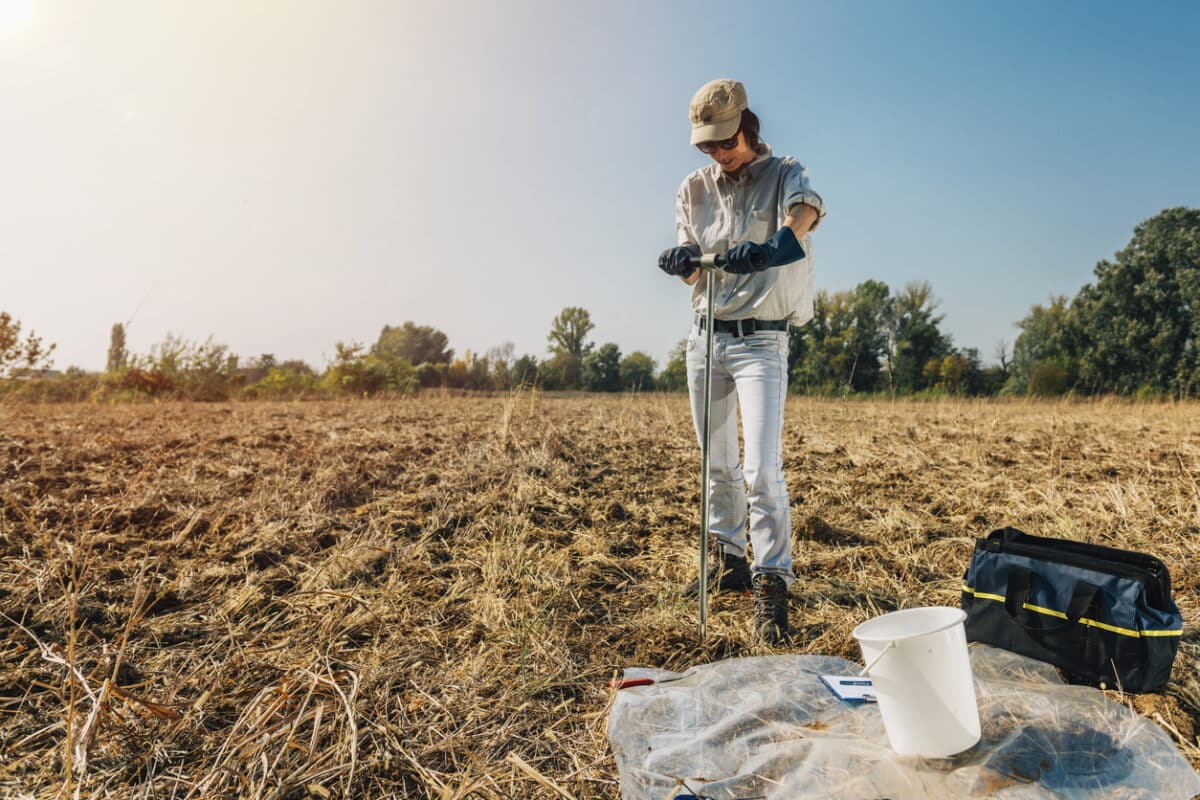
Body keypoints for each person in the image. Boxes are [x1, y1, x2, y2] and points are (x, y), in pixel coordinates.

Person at [658, 78, 825, 644]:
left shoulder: (784, 173)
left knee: (760, 469)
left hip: (761, 342)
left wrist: (777, 244)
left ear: (746, 128)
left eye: (724, 143)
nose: (717, 154)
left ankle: (772, 581)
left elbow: (803, 215)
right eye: (706, 146)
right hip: (707, 338)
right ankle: (727, 560)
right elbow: (697, 273)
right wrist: (681, 262)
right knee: (717, 464)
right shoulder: (693, 189)